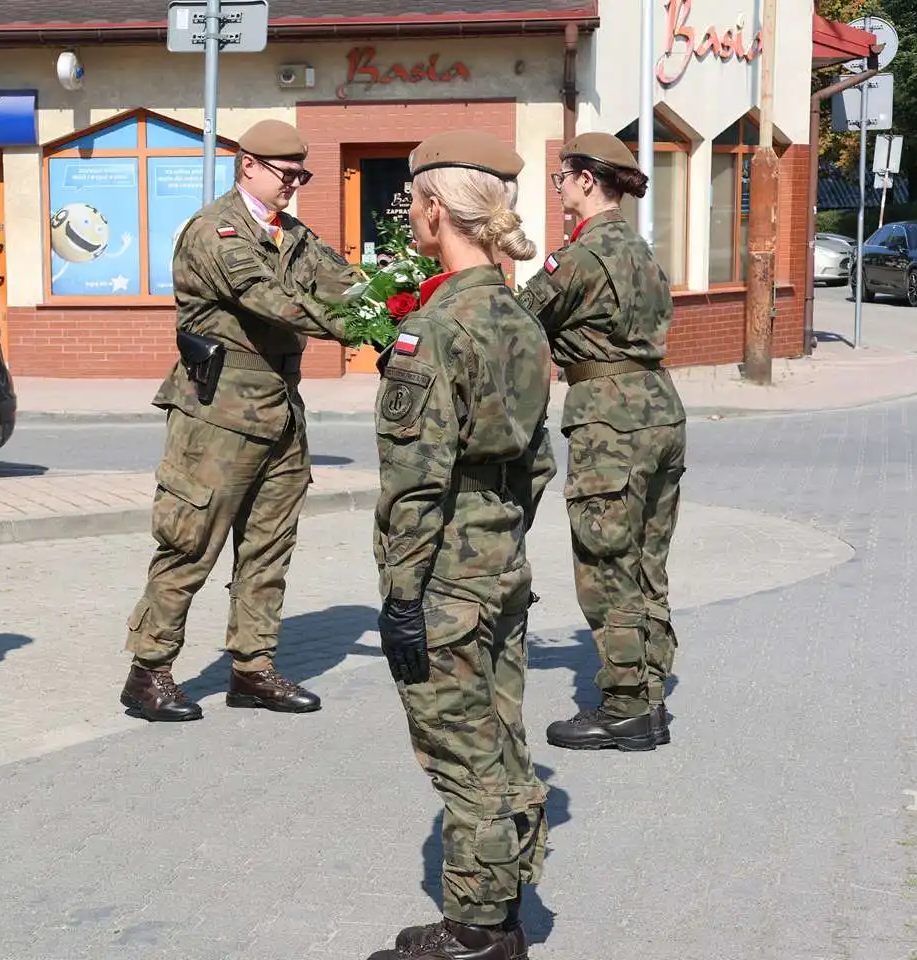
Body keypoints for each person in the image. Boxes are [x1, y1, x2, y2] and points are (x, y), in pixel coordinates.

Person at [369, 129, 555, 960]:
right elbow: (538, 461)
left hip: (446, 573)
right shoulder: (520, 319)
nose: (409, 213)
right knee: (502, 736)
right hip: (503, 561)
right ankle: (505, 905)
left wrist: (403, 595)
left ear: (436, 208)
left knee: (461, 750)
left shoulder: (437, 328)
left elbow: (415, 480)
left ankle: (476, 931)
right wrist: (504, 538)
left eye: (412, 200)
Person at [121, 118, 364, 722]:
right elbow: (271, 299)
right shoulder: (216, 232)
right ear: (247, 164)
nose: (295, 186)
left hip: (281, 415)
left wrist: (404, 308)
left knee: (268, 549)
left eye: (302, 176)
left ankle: (253, 667)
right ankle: (148, 671)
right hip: (218, 417)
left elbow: (347, 283)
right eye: (287, 175)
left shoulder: (293, 235)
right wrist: (362, 330)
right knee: (190, 544)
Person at [515, 133, 687, 753]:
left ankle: (624, 708)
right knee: (646, 562)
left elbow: (515, 321)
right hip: (660, 410)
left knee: (606, 565)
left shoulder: (581, 257)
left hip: (610, 421)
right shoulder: (640, 250)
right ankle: (649, 692)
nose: (558, 185)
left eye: (563, 176)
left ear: (588, 180)